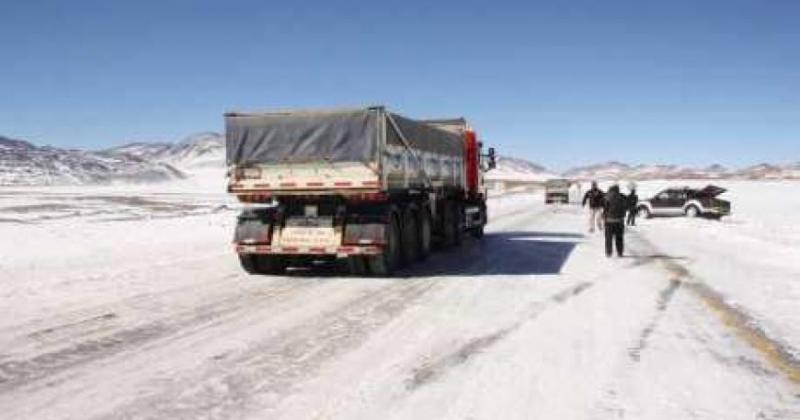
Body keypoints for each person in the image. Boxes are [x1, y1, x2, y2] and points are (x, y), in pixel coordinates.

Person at [603, 184, 627, 257]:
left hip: (609, 221)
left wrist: (604, 217)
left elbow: (605, 209)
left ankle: (608, 253)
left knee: (608, 238)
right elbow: (626, 207)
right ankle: (620, 252)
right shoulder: (623, 197)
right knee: (619, 238)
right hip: (619, 221)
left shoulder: (607, 197)